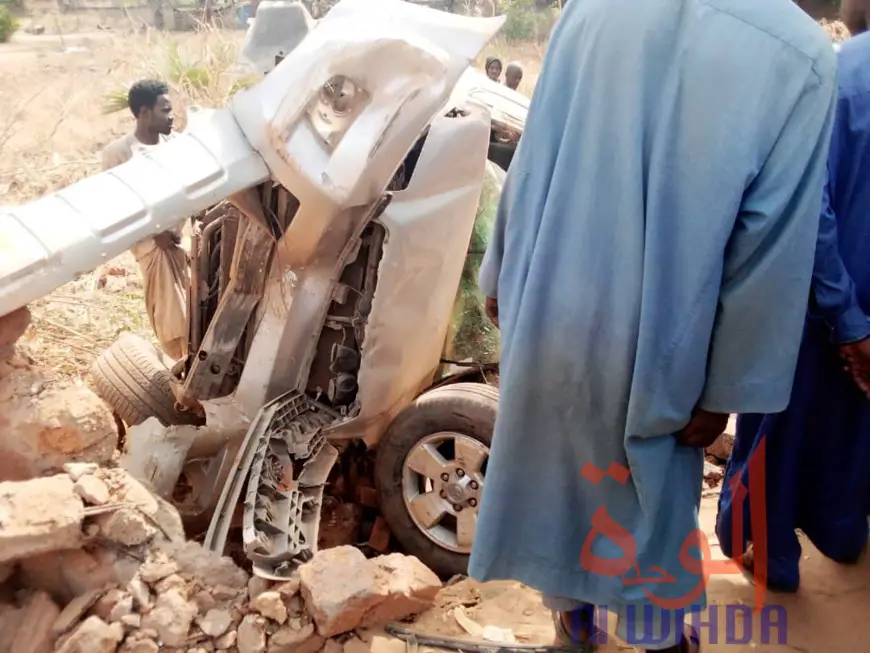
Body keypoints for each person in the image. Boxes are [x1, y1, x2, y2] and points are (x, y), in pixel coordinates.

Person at [468, 0, 836, 650]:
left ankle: (573, 630)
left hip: (552, 295)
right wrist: (725, 387)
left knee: (562, 484)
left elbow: (536, 145)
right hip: (665, 336)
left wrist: (502, 271)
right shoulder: (800, 55)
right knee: (648, 512)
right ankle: (658, 640)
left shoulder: (593, 7)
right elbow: (769, 245)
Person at [717, 31, 870, 595]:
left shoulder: (834, 74)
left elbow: (812, 204)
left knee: (781, 434)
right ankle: (846, 533)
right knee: (852, 434)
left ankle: (771, 556)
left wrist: (846, 318)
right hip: (839, 299)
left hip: (816, 302)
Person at [102, 79, 190, 361]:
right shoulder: (119, 153)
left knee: (196, 315)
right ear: (143, 113)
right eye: (165, 110)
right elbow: (116, 206)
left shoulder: (177, 146)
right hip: (152, 249)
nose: (172, 115)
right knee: (172, 321)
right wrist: (155, 234)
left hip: (185, 244)